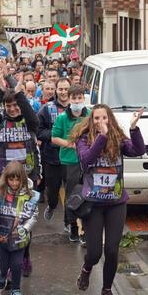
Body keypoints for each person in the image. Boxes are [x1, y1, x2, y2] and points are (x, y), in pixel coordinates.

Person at [71, 105, 145, 295]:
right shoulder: (84, 140)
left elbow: (138, 150)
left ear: (110, 119)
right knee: (94, 253)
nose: (100, 121)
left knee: (112, 251)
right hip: (93, 204)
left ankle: (106, 291)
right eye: (96, 118)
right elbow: (86, 161)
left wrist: (134, 129)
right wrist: (101, 137)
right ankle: (86, 270)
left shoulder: (118, 140)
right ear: (91, 120)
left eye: (104, 117)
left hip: (116, 202)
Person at [0, 77, 40, 277]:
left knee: (24, 220)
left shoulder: (30, 123)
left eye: (16, 105)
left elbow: (32, 116)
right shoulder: (1, 122)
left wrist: (18, 94)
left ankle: (24, 254)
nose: (13, 109)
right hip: (5, 179)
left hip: (27, 180)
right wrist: (0, 90)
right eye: (9, 106)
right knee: (7, 220)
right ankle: (9, 263)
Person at [0, 161, 40, 295]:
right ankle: (2, 275)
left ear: (22, 179)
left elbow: (34, 215)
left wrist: (25, 229)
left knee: (17, 264)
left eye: (17, 179)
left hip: (20, 239)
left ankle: (16, 289)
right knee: (4, 263)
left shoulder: (31, 196)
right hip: (2, 237)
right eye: (11, 179)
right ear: (6, 178)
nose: (14, 183)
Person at [51, 84, 89, 243]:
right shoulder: (62, 118)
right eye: (74, 98)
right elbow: (54, 138)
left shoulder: (90, 115)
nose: (77, 101)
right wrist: (69, 143)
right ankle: (72, 226)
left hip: (87, 160)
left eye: (80, 98)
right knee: (72, 195)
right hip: (69, 160)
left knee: (88, 194)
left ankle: (86, 229)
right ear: (69, 99)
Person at [38, 78, 71, 223]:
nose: (64, 92)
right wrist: (55, 137)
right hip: (52, 158)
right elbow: (39, 131)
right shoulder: (47, 108)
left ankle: (69, 223)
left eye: (66, 89)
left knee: (71, 193)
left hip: (72, 158)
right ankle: (51, 206)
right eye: (61, 89)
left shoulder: (78, 107)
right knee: (53, 193)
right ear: (56, 90)